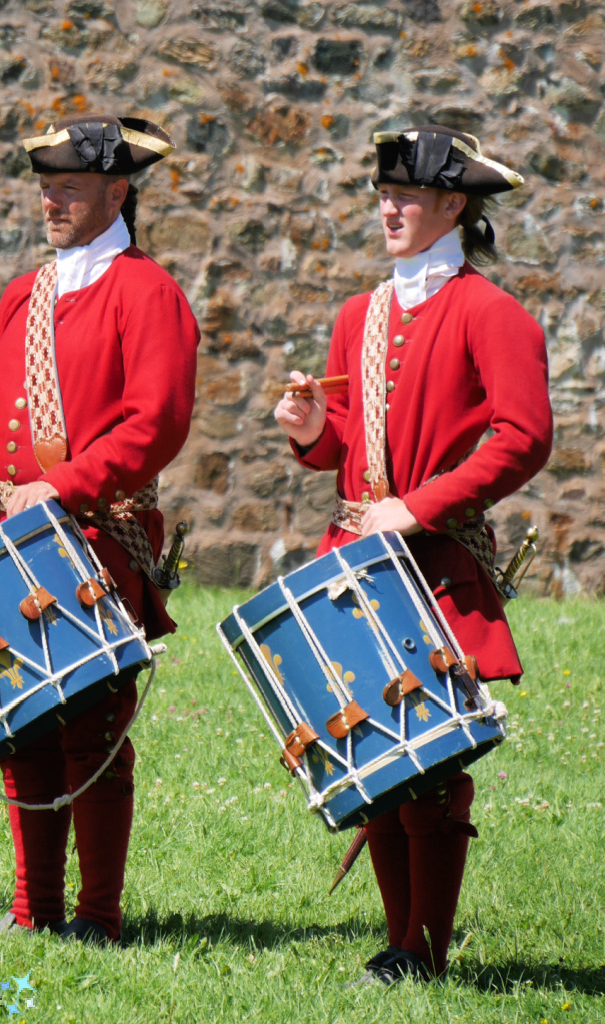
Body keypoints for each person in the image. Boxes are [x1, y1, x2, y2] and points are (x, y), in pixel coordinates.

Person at [275, 125, 553, 984]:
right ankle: (400, 944)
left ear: (452, 206)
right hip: (358, 555)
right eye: (382, 193)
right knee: (372, 754)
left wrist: (421, 506)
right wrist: (317, 434)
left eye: (406, 195)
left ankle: (421, 948)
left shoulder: (492, 312)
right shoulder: (358, 314)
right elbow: (356, 442)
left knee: (431, 761)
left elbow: (524, 436)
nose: (388, 207)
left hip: (437, 558)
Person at [0, 114, 200, 944]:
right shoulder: (25, 293)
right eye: (46, 187)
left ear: (116, 192)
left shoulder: (148, 291)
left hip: (95, 530)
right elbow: (6, 416)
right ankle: (31, 908)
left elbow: (155, 423)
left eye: (69, 187)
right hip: (19, 536)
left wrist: (63, 486)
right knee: (22, 725)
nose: (51, 201)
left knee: (92, 731)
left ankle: (98, 915)